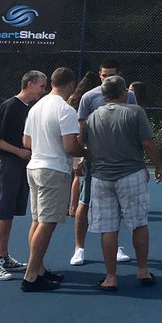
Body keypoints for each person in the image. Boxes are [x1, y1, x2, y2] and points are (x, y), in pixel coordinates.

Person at [84, 75, 162, 290]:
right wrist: (158, 165)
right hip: (131, 174)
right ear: (123, 93)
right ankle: (143, 270)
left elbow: (87, 147)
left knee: (108, 227)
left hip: (101, 177)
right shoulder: (136, 112)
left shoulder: (92, 117)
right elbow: (147, 142)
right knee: (138, 222)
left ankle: (110, 277)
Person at [21, 67, 85, 291]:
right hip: (53, 169)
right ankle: (31, 276)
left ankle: (38, 269)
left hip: (34, 167)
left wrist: (45, 141)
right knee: (47, 223)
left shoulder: (36, 107)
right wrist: (87, 151)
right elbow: (70, 146)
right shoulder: (65, 110)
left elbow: (26, 141)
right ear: (70, 85)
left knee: (38, 220)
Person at [70, 59, 137, 266]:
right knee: (84, 202)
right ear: (99, 74)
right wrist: (81, 156)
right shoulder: (89, 97)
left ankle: (114, 246)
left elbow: (133, 124)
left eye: (111, 75)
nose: (107, 78)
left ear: (119, 75)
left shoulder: (129, 96)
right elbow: (81, 129)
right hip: (93, 159)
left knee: (114, 205)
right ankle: (79, 248)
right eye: (104, 75)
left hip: (120, 161)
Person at [0, 70, 48, 280]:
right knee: (2, 212)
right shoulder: (10, 106)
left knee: (9, 212)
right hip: (7, 164)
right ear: (29, 84)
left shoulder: (29, 108)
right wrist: (19, 151)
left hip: (20, 166)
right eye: (41, 86)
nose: (43, 90)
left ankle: (3, 255)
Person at [67, 71, 100, 216]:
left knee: (74, 174)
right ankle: (74, 206)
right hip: (82, 139)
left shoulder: (73, 98)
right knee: (79, 175)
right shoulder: (91, 98)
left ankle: (70, 205)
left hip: (72, 137)